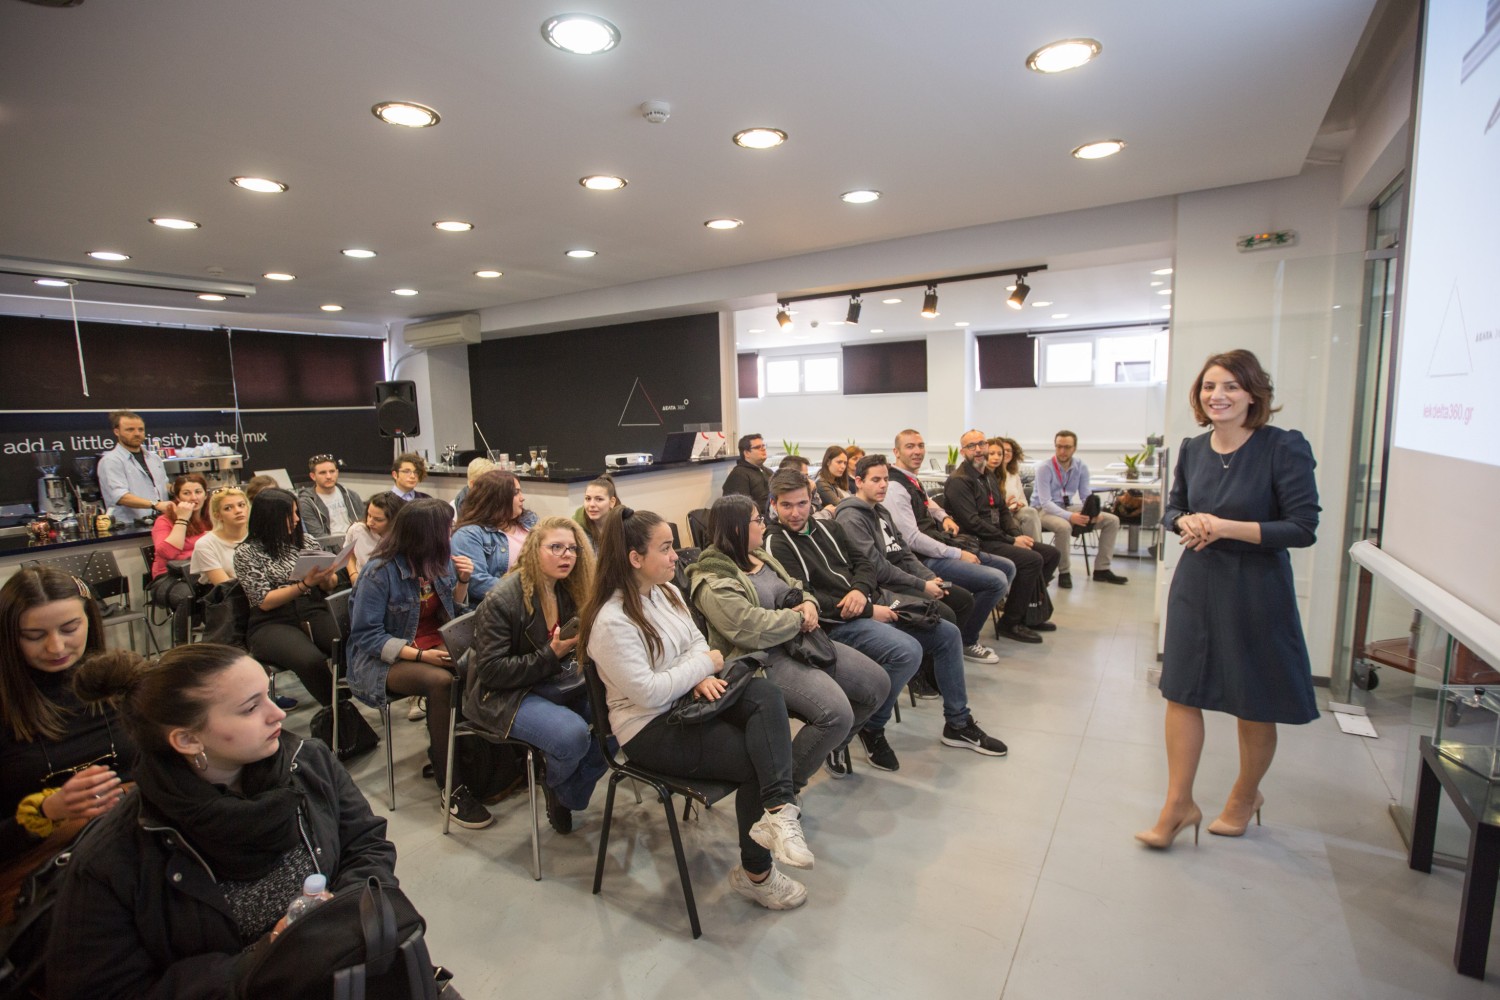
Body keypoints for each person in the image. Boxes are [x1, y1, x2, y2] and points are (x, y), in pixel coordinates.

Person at [47, 643, 398, 1000]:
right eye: (251, 708)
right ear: (187, 739)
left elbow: (367, 843)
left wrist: (346, 913)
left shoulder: (308, 763)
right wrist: (264, 959)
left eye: (268, 695)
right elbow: (106, 988)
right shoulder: (113, 858)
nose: (277, 713)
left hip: (349, 971)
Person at [583, 506, 814, 911]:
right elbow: (651, 693)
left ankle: (779, 811)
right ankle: (756, 875)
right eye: (666, 548)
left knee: (765, 693)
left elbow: (696, 643)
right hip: (649, 728)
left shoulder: (668, 592)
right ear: (636, 559)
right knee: (752, 760)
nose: (677, 556)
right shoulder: (611, 621)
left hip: (687, 700)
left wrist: (700, 668)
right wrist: (703, 668)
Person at [1137, 350, 1320, 850]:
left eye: (1231, 387)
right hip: (1197, 581)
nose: (1217, 395)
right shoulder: (1193, 449)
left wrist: (1222, 526)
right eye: (1209, 386)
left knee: (1253, 698)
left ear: (1254, 394)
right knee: (1182, 691)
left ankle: (1245, 794)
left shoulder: (1283, 447)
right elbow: (1174, 506)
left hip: (1256, 586)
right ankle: (1179, 803)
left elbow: (1303, 528)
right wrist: (1184, 521)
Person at [686, 495, 889, 784]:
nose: (764, 524)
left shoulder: (759, 556)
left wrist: (808, 602)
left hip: (799, 643)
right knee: (836, 715)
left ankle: (832, 745)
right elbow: (749, 628)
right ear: (736, 529)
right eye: (757, 520)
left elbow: (793, 586)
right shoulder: (711, 578)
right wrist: (799, 619)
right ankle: (782, 788)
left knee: (877, 684)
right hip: (760, 659)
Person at [762, 470, 922, 773]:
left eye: (802, 503)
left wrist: (861, 591)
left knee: (939, 630)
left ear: (812, 501)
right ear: (773, 504)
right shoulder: (776, 543)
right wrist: (863, 608)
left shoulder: (828, 527)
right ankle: (865, 731)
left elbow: (864, 563)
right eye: (786, 505)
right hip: (830, 625)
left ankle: (861, 730)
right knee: (907, 652)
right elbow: (800, 597)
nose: (795, 513)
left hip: (860, 607)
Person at [467, 517, 607, 834]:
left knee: (617, 721)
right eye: (556, 547)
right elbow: (490, 673)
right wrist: (551, 655)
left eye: (572, 548)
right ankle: (560, 785)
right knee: (572, 735)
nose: (566, 555)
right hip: (504, 695)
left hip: (551, 681)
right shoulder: (502, 599)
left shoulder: (568, 590)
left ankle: (564, 791)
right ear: (534, 550)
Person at [347, 499, 481, 827]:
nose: (451, 534)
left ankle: (461, 755)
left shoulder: (439, 561)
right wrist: (422, 655)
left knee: (481, 665)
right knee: (441, 683)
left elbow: (450, 613)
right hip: (381, 658)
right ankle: (451, 785)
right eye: (446, 529)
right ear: (427, 534)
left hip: (430, 643)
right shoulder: (379, 572)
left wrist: (463, 582)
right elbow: (366, 635)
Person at [0, 568, 132, 880]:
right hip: (44, 871)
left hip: (132, 843)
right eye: (34, 636)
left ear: (91, 620)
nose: (56, 648)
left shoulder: (121, 680)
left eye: (70, 628)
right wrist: (48, 812)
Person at [837, 454, 1005, 665]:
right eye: (876, 480)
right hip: (886, 585)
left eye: (886, 479)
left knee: (961, 598)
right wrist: (922, 585)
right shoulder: (851, 517)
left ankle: (954, 652)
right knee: (941, 612)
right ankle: (925, 673)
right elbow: (877, 567)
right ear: (859, 482)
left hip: (909, 576)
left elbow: (905, 552)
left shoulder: (881, 511)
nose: (883, 485)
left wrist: (930, 577)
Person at [943, 430, 1059, 643]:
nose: (978, 449)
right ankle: (1011, 622)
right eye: (971, 446)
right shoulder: (960, 480)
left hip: (997, 537)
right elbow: (972, 523)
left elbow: (1003, 511)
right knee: (1032, 560)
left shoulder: (987, 475)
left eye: (981, 444)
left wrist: (1016, 534)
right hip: (977, 541)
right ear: (962, 452)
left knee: (1051, 554)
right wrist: (1011, 540)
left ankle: (1028, 612)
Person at [232, 489, 340, 708]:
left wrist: (327, 576)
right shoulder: (247, 552)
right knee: (310, 660)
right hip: (272, 620)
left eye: (296, 513)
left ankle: (348, 699)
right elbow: (264, 601)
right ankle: (339, 710)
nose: (297, 519)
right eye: (290, 515)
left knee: (347, 643)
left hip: (311, 608)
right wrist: (304, 584)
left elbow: (329, 586)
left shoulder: (305, 541)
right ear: (271, 518)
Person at [1031, 430, 1126, 587]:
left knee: (1112, 520)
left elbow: (1085, 495)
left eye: (1067, 447)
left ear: (1074, 448)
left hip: (1067, 507)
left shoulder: (1081, 467)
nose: (1062, 451)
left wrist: (1093, 512)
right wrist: (1070, 516)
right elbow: (1046, 502)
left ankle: (1102, 569)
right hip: (1043, 510)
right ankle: (1064, 572)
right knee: (1064, 526)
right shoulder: (1044, 468)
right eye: (1059, 446)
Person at [451, 470, 539, 601]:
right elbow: (478, 583)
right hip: (503, 607)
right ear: (497, 498)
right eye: (516, 492)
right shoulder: (469, 535)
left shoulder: (528, 521)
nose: (522, 497)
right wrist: (530, 590)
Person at [149, 473, 212, 644]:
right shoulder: (164, 521)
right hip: (169, 578)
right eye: (186, 493)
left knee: (228, 589)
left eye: (198, 492)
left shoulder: (211, 518)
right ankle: (183, 648)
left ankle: (219, 643)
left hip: (204, 575)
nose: (194, 498)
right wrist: (183, 519)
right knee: (188, 596)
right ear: (177, 497)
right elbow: (167, 553)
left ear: (206, 494)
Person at [95, 408, 169, 526]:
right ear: (116, 432)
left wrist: (180, 489)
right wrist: (155, 504)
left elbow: (163, 486)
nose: (137, 433)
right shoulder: (111, 461)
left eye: (140, 429)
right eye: (130, 429)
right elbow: (120, 497)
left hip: (160, 523)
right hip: (129, 526)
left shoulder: (154, 458)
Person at [344, 492, 405, 588]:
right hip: (364, 585)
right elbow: (347, 553)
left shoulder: (404, 538)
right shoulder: (358, 530)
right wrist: (353, 574)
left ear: (394, 520)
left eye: (378, 519)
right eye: (369, 515)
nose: (370, 522)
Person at [295, 454, 363, 539]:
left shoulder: (351, 495)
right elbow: (319, 537)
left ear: (337, 472)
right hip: (330, 547)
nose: (328, 476)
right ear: (313, 476)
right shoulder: (306, 502)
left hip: (356, 541)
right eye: (322, 473)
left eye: (332, 471)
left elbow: (363, 524)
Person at [994, 437, 1042, 542]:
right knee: (1017, 523)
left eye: (1009, 451)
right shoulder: (990, 474)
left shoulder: (1013, 474)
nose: (1006, 453)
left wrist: (1019, 504)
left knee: (1031, 512)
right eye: (1003, 450)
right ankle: (1034, 551)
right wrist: (1006, 506)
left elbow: (1023, 500)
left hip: (1016, 511)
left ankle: (1037, 549)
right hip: (1001, 514)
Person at [720, 433, 772, 515]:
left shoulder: (768, 471)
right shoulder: (739, 475)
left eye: (763, 446)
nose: (763, 449)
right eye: (758, 447)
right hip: (755, 521)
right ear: (747, 453)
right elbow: (740, 509)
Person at [571, 474, 620, 552]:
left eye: (599, 499)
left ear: (612, 502)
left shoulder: (623, 526)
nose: (592, 504)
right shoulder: (574, 529)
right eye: (588, 498)